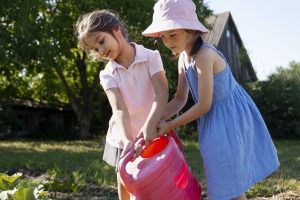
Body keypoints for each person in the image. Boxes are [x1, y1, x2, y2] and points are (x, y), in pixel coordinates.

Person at [142, 0, 280, 199]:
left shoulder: (204, 55)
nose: (168, 41)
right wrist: (152, 122)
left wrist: (170, 124)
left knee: (229, 183)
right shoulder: (183, 58)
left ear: (191, 30)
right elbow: (180, 99)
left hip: (230, 119)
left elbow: (204, 104)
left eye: (173, 34)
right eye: (163, 37)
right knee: (223, 180)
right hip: (211, 122)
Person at [75, 9, 168, 200]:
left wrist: (150, 124)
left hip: (152, 132)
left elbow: (161, 93)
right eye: (95, 49)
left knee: (158, 178)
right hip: (122, 137)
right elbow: (118, 108)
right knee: (125, 181)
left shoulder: (151, 57)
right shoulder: (107, 74)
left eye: (101, 41)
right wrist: (127, 140)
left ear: (116, 30)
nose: (100, 51)